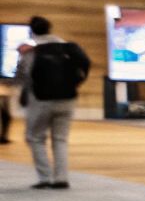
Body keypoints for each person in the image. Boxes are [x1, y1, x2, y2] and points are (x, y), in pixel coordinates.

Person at [16, 16, 90, 189]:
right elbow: (83, 65)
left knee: (35, 137)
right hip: (68, 99)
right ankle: (61, 178)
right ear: (50, 29)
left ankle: (45, 177)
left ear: (31, 30)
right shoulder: (67, 47)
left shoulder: (31, 51)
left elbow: (23, 77)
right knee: (60, 139)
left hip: (41, 100)